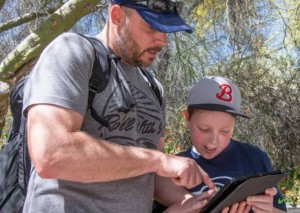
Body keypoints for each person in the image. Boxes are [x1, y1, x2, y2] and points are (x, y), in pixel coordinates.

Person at [22, 0, 216, 212]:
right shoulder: (71, 52)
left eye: (166, 30)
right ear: (117, 16)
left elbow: (154, 177)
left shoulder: (153, 87)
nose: (162, 40)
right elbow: (52, 154)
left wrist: (199, 203)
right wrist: (158, 161)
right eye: (152, 27)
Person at [153, 76, 287, 213]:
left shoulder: (254, 158)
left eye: (225, 131)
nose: (214, 141)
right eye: (204, 129)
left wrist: (269, 210)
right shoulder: (173, 170)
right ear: (187, 118)